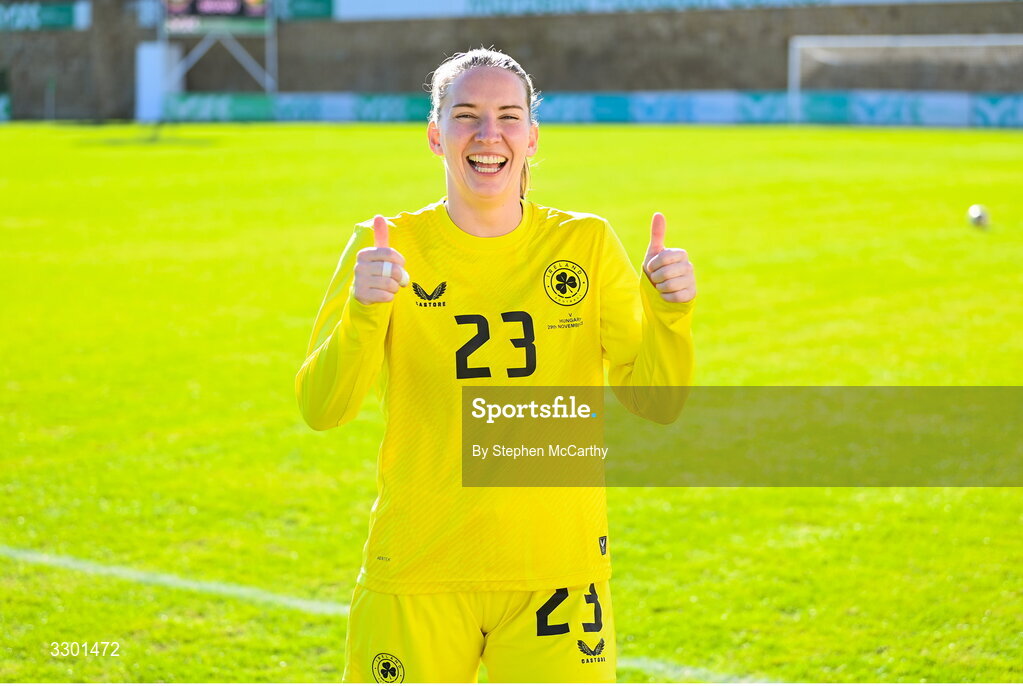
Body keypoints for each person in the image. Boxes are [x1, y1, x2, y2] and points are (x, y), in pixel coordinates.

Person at [295, 48, 696, 683]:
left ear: (533, 137)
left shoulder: (585, 244)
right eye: (467, 115)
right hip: (421, 568)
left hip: (556, 574)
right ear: (435, 134)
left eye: (509, 116)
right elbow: (322, 408)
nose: (489, 135)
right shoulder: (385, 248)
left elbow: (658, 401)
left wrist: (670, 313)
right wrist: (365, 309)